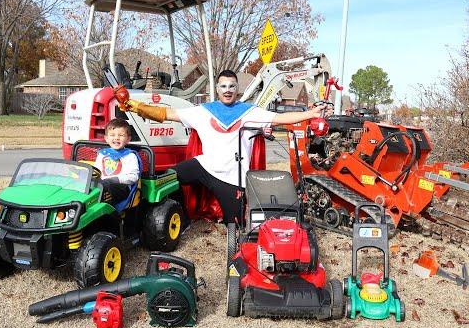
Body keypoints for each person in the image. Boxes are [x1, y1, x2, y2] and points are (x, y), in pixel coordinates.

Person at [123, 69, 330, 225]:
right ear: (217, 88)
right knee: (161, 180)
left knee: (237, 224)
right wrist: (134, 106)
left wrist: (310, 114)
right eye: (223, 86)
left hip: (232, 178)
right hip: (205, 166)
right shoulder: (203, 111)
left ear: (237, 89)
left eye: (232, 86)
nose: (228, 90)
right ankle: (141, 219)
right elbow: (166, 114)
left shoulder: (250, 112)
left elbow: (281, 118)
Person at [94, 118, 140, 208]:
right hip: (102, 185)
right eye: (112, 135)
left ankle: (106, 215)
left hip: (121, 187)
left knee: (106, 189)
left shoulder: (130, 156)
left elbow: (133, 177)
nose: (116, 138)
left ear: (128, 139)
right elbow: (96, 171)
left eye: (121, 135)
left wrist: (114, 179)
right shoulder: (102, 154)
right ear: (106, 138)